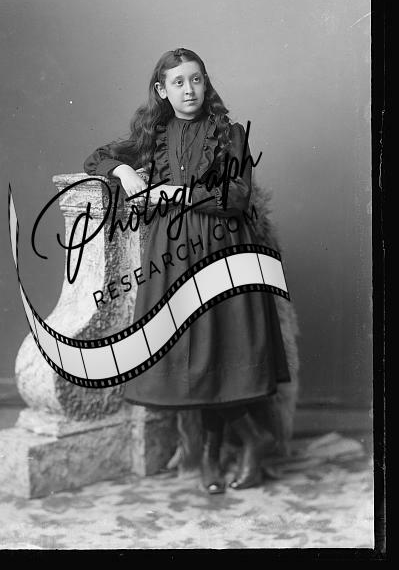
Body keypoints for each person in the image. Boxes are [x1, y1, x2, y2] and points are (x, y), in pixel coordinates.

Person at [83, 48, 291, 494]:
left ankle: (233, 449)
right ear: (162, 90)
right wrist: (124, 171)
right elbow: (96, 157)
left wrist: (176, 195)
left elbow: (237, 194)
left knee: (218, 353)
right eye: (178, 82)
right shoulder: (153, 134)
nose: (189, 90)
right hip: (171, 256)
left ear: (205, 83)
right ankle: (234, 447)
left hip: (221, 250)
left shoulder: (230, 133)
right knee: (188, 359)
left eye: (196, 79)